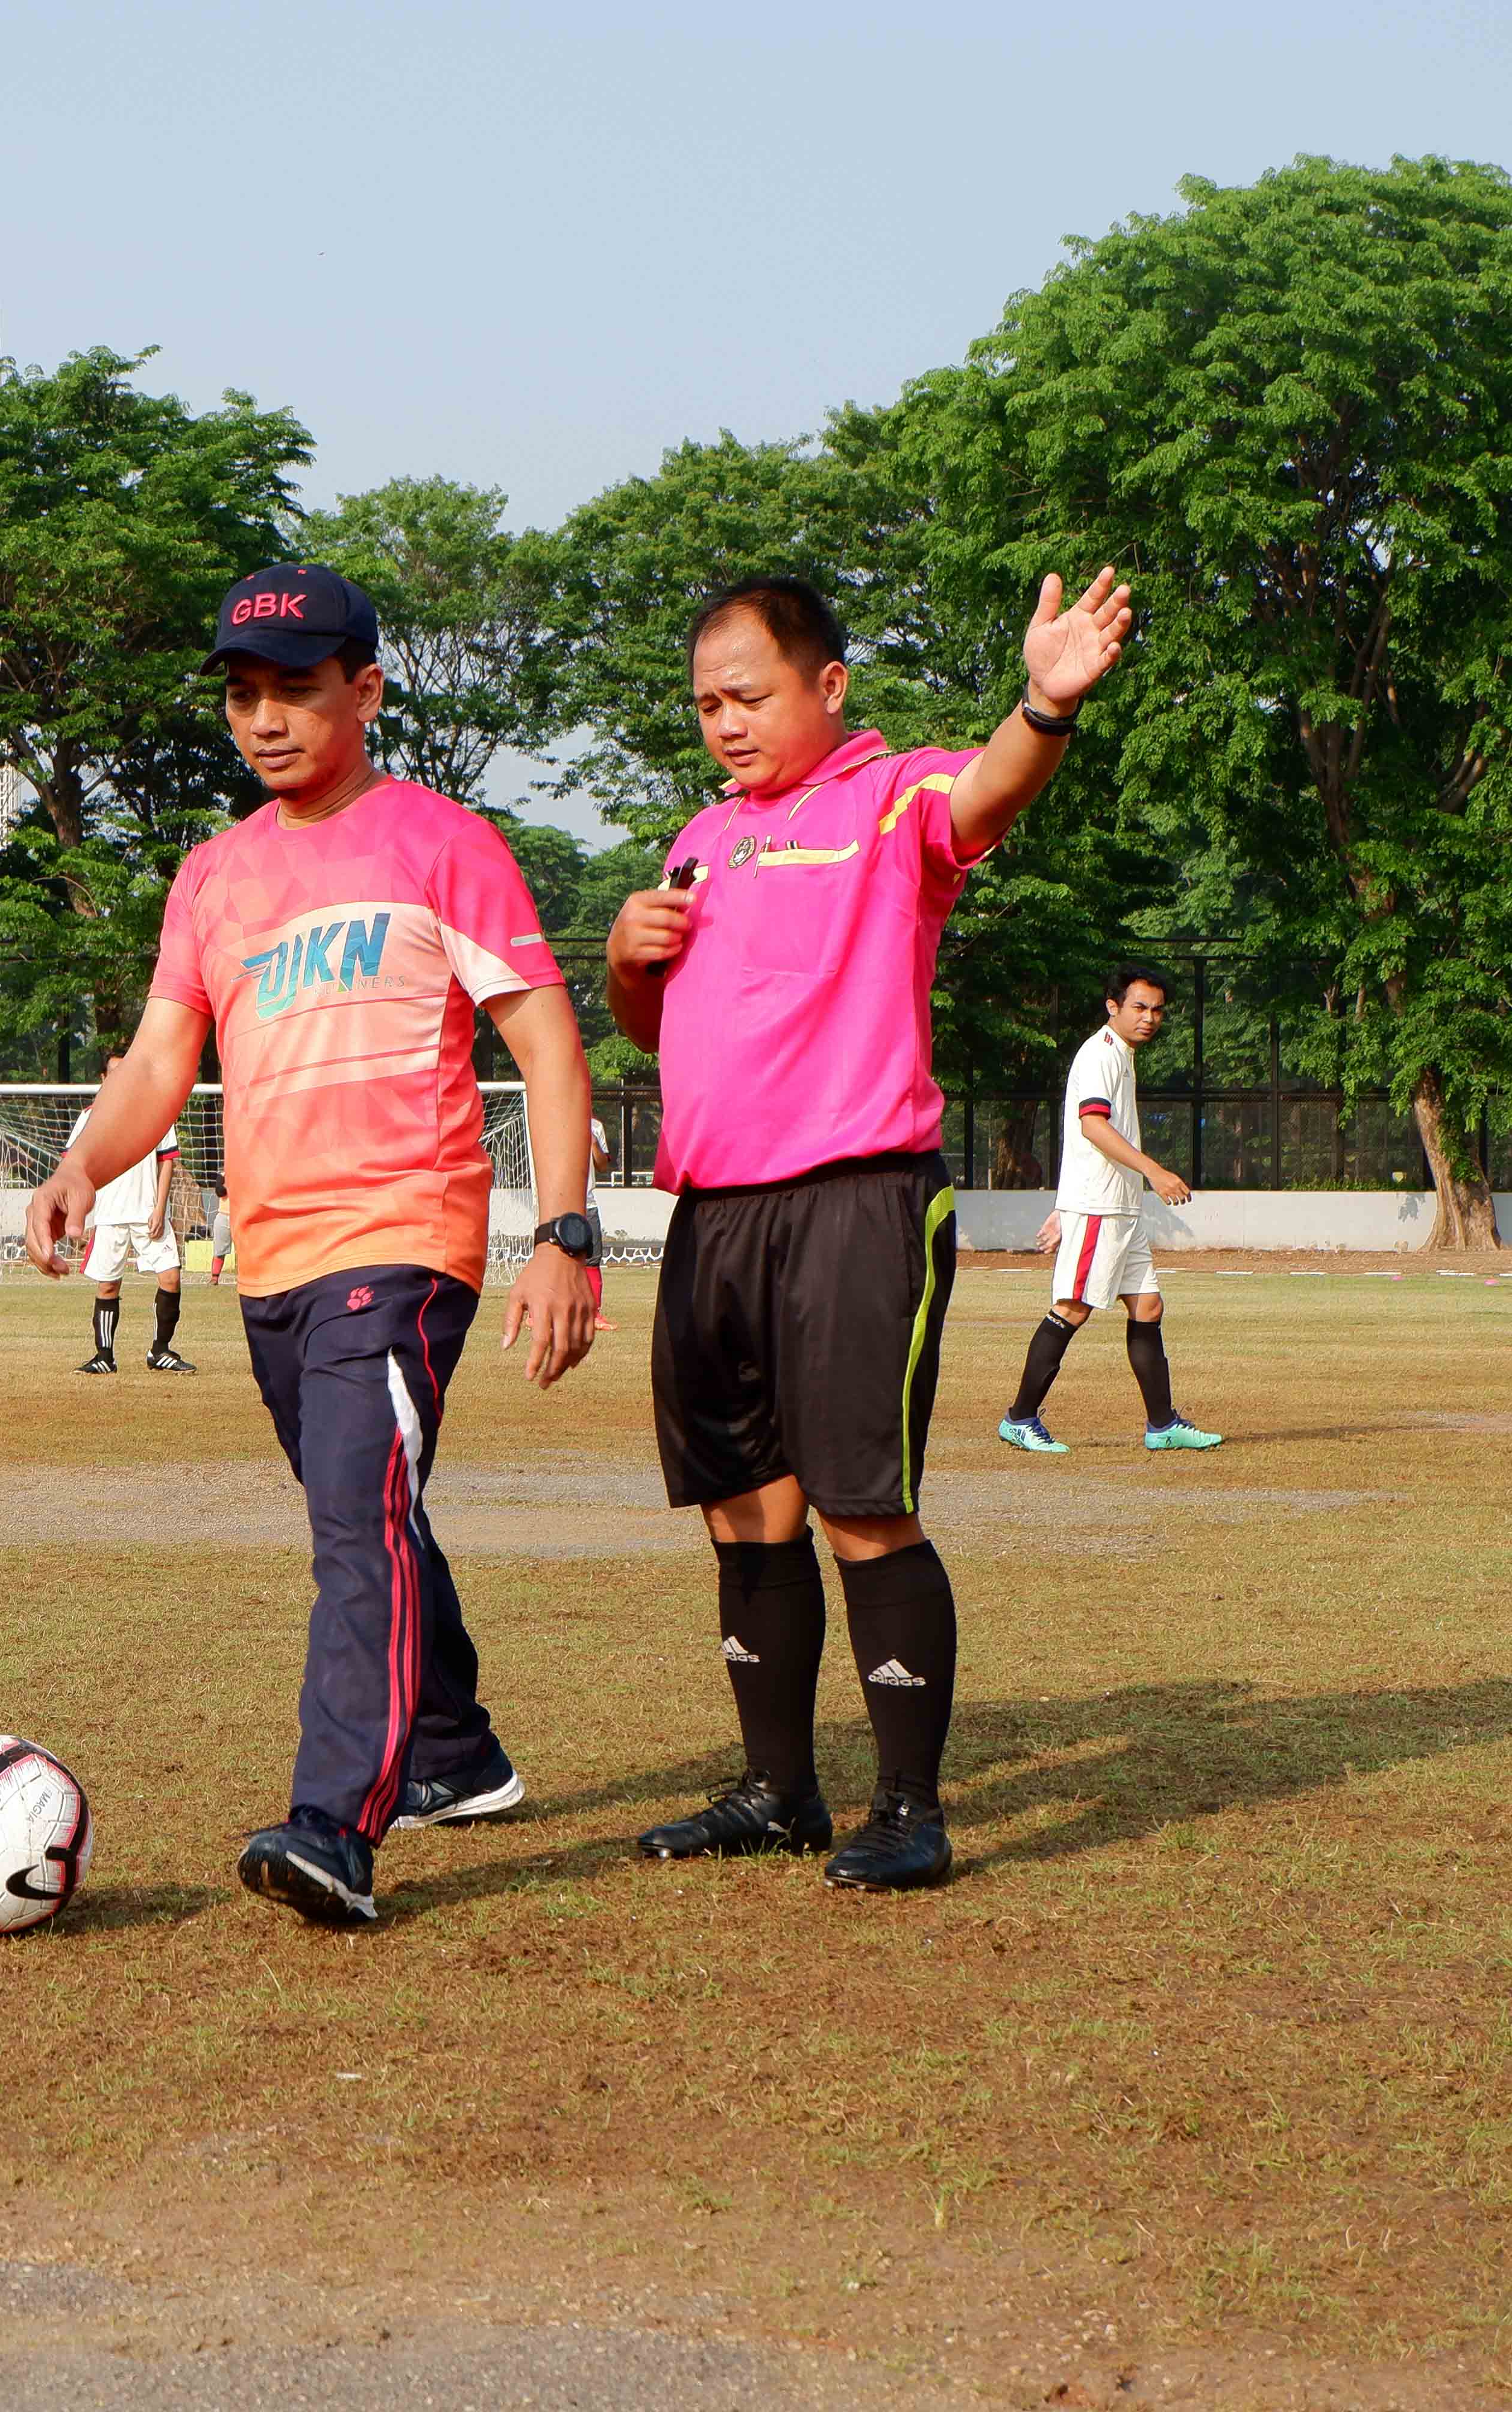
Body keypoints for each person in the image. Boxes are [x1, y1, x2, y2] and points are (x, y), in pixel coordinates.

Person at [26, 563, 605, 1928]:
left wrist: (565, 1233)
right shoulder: (214, 875)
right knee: (371, 1513)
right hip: (272, 1264)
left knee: (355, 1525)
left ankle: (335, 1825)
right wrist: (80, 1164)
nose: (265, 719)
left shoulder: (442, 842)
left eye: (295, 688)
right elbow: (159, 1060)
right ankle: (456, 1754)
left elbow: (546, 1041)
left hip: (402, 1241)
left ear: (367, 690)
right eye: (243, 695)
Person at [606, 567, 1136, 1894]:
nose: (726, 723)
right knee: (744, 1509)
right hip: (713, 1211)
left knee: (860, 1502)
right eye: (707, 705)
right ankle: (778, 1791)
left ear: (828, 685)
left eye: (749, 695)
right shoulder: (699, 840)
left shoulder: (889, 800)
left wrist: (1045, 706)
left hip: (857, 1197)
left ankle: (909, 1807)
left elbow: (988, 794)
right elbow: (653, 1025)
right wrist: (622, 958)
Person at [1001, 968, 1223, 1454]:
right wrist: (1154, 1172)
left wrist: (1063, 1206)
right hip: (1100, 1208)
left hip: (1120, 1209)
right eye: (1139, 1007)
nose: (1149, 1018)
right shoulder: (1100, 1053)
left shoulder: (1121, 1055)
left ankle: (1162, 1425)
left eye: (1157, 1010)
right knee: (1073, 1308)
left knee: (1148, 1306)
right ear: (1113, 1006)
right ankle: (1019, 1418)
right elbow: (1093, 1126)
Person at [66, 1053, 192, 1375]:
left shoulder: (157, 1112)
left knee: (171, 1277)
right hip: (109, 1215)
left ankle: (160, 1351)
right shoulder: (89, 1118)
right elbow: (73, 1167)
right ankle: (104, 1357)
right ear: (104, 1079)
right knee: (108, 1287)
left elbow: (167, 1162)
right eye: (115, 1073)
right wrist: (79, 1215)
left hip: (148, 1213)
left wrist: (160, 1207)